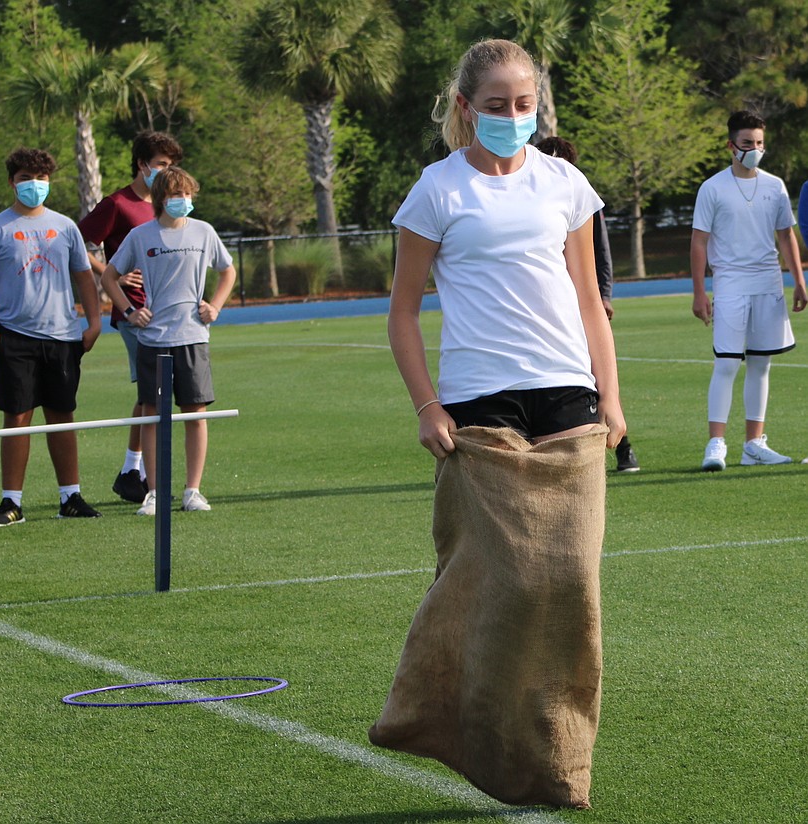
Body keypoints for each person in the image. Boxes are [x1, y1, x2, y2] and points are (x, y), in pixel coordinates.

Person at [372, 39, 625, 809]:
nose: (513, 116)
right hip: (480, 405)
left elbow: (590, 301)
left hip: (568, 397)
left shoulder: (565, 184)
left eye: (524, 104)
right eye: (496, 105)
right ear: (465, 108)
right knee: (506, 586)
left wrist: (611, 397)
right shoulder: (437, 191)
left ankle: (560, 764)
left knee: (571, 583)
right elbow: (403, 312)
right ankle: (453, 724)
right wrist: (427, 405)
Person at [0, 147, 102, 526]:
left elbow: (84, 277)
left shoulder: (65, 226)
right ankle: (11, 503)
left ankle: (70, 497)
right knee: (17, 417)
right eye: (26, 178)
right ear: (12, 182)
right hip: (13, 337)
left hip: (63, 336)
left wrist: (94, 323)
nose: (34, 185)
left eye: (41, 178)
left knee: (62, 416)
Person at [100, 167, 236, 515]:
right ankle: (154, 492)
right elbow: (110, 277)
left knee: (196, 414)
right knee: (152, 415)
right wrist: (130, 311)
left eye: (188, 194)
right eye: (177, 194)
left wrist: (215, 306)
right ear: (162, 198)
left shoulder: (204, 231)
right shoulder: (140, 235)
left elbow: (228, 270)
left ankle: (193, 491)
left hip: (193, 337)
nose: (184, 200)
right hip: (154, 339)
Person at [691, 110, 807, 471]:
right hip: (730, 285)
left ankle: (754, 445)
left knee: (761, 364)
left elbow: (785, 235)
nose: (754, 149)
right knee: (726, 363)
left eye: (759, 143)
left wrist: (799, 280)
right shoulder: (712, 188)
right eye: (747, 143)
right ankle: (716, 444)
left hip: (768, 284)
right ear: (731, 145)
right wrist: (699, 292)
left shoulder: (775, 186)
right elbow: (699, 241)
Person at [78, 130, 183, 503]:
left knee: (153, 392)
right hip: (133, 312)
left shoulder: (167, 204)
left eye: (172, 165)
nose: (167, 171)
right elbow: (76, 242)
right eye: (161, 164)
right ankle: (133, 473)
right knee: (153, 392)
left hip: (166, 314)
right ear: (142, 165)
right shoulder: (117, 204)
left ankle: (131, 471)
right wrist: (111, 274)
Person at [537, 135, 640, 472]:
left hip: (582, 305)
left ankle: (623, 447)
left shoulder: (582, 198)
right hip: (548, 310)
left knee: (599, 376)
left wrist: (604, 295)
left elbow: (601, 253)